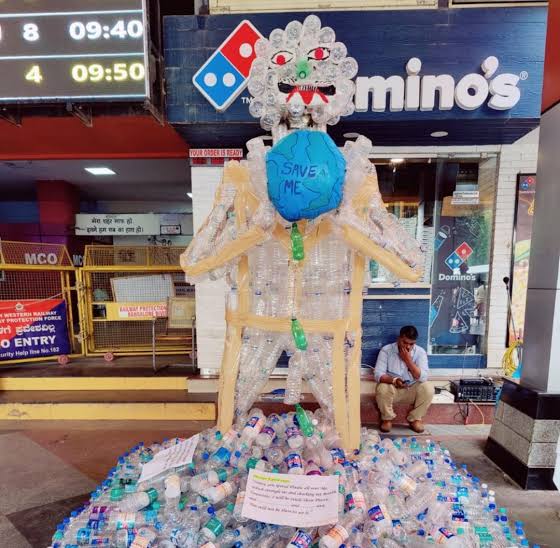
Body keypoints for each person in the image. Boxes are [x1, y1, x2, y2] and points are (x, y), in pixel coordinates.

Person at [374, 325, 434, 434]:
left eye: (411, 344)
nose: (408, 347)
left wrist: (408, 361)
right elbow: (378, 374)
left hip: (412, 391)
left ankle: (415, 419)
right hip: (393, 390)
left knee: (428, 388)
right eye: (404, 342)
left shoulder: (420, 352)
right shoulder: (386, 350)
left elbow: (424, 377)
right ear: (399, 338)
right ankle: (387, 419)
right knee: (382, 387)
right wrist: (394, 380)